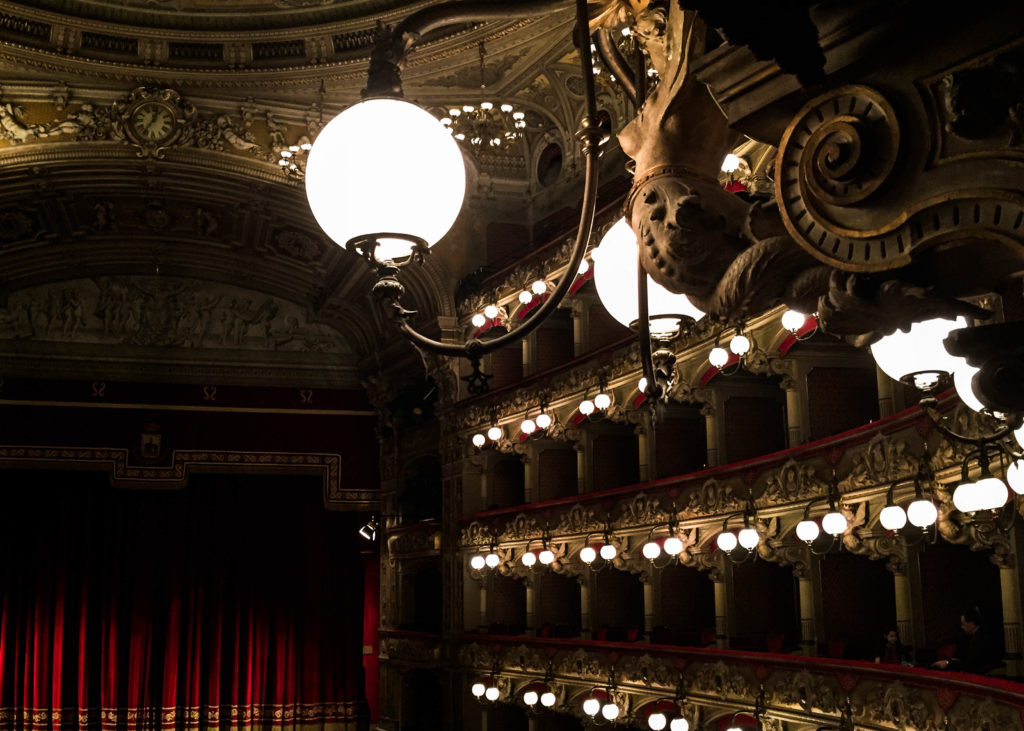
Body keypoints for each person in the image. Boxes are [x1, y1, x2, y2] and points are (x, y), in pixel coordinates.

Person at [931, 608, 1003, 674]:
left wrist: (947, 663)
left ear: (971, 624)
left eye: (963, 624)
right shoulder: (974, 637)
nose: (962, 627)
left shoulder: (981, 639)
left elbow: (972, 664)